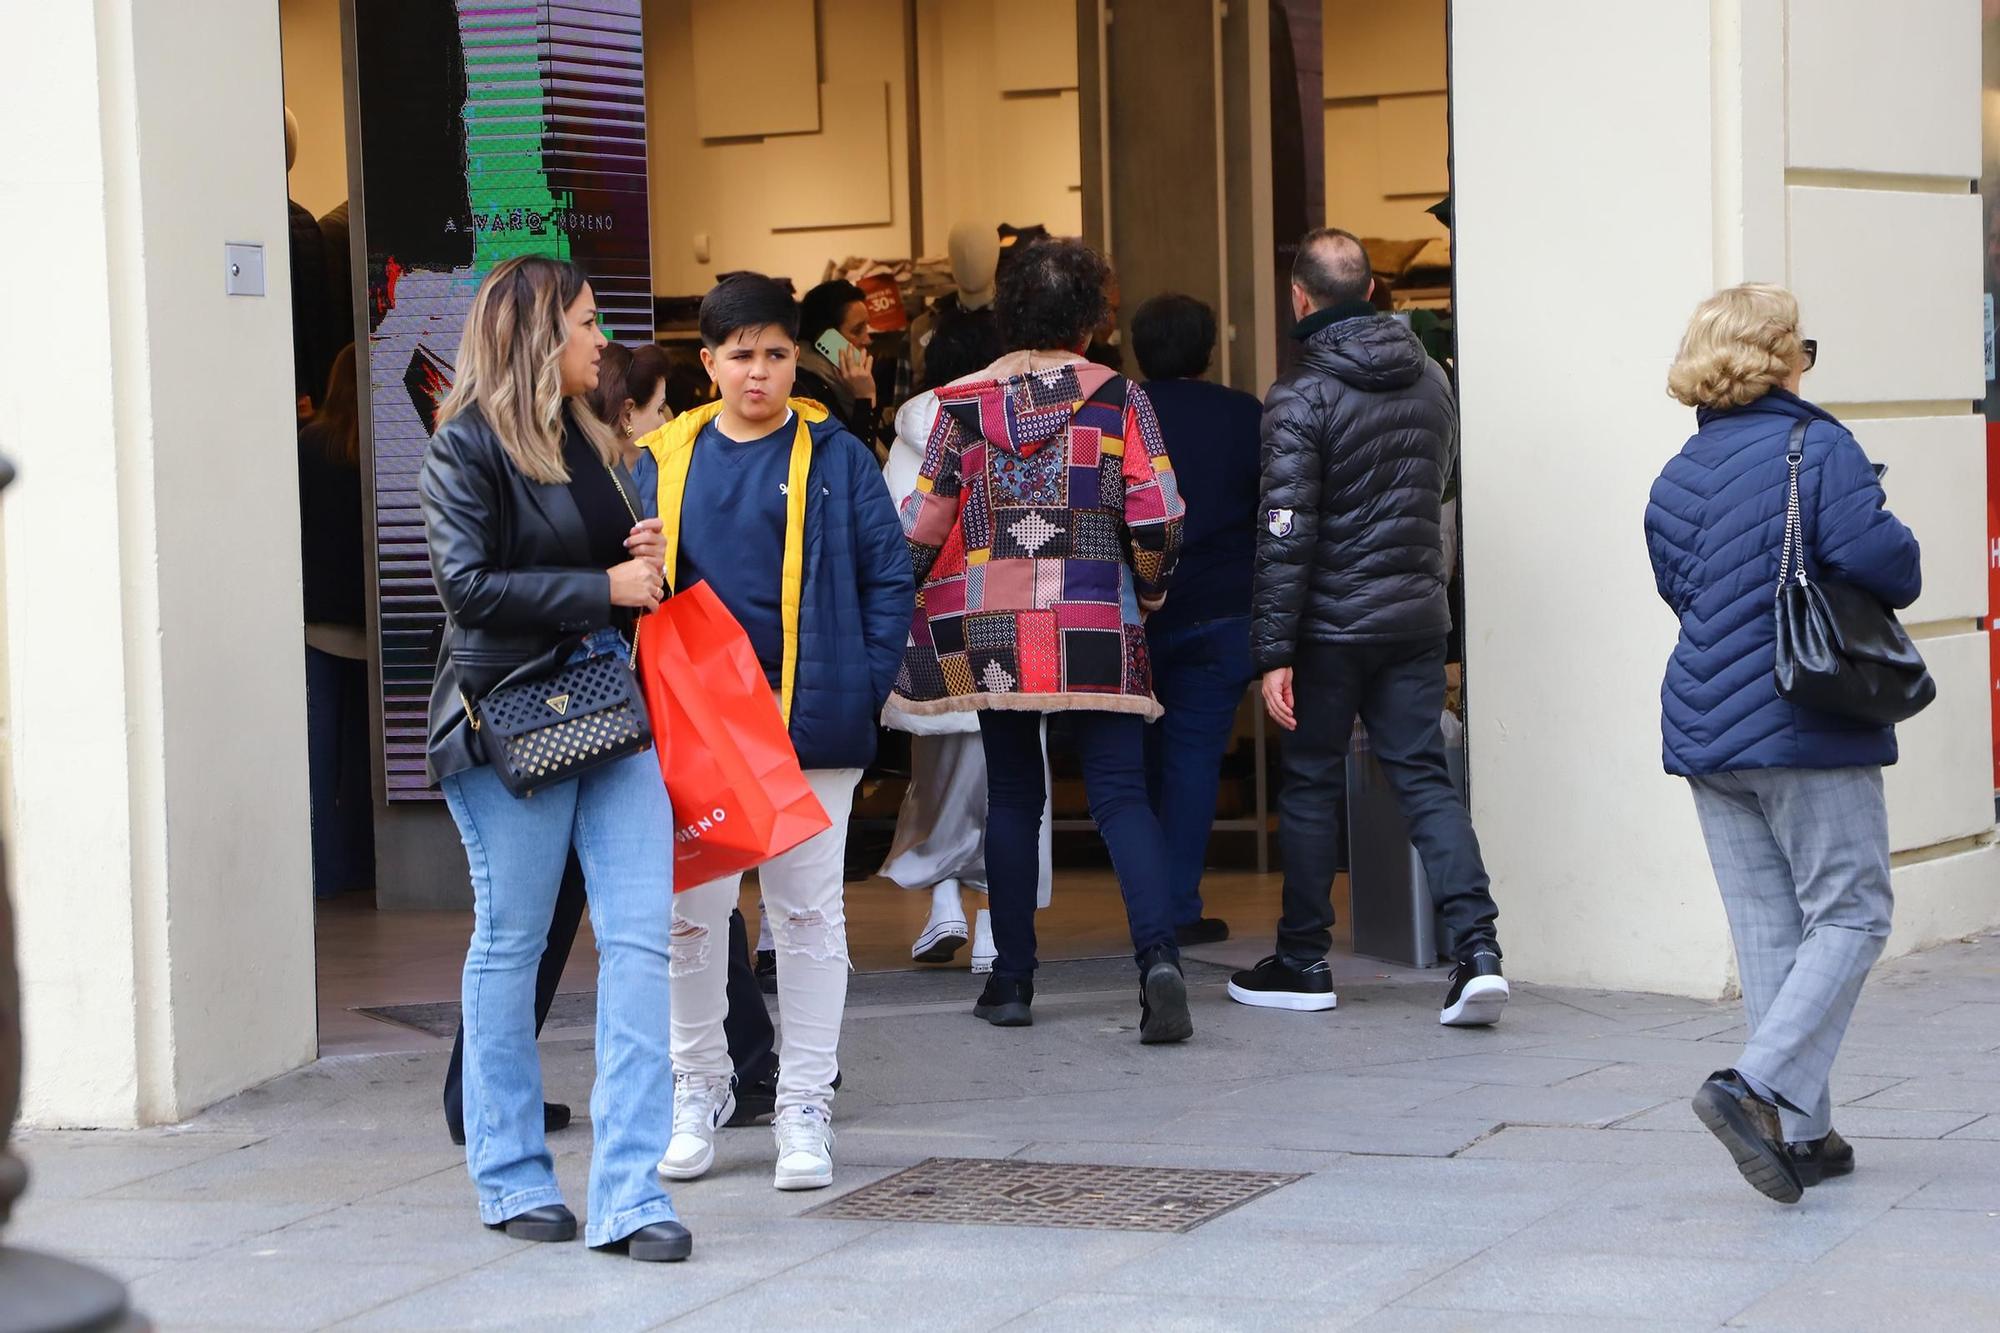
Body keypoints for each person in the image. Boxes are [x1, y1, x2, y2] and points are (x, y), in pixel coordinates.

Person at [420, 255, 689, 1261]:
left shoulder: (598, 440)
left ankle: (629, 1191)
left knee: (639, 943)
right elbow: (467, 592)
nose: (598, 341)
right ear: (537, 336)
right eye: (583, 322)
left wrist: (645, 564)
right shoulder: (463, 450)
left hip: (612, 717)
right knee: (513, 941)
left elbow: (616, 577)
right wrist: (601, 589)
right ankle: (508, 1173)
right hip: (508, 725)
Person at [1646, 284, 1920, 1204]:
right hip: (1803, 718)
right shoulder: (1819, 445)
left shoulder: (1676, 474)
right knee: (1852, 911)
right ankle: (1753, 1088)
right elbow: (1891, 566)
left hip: (1704, 726)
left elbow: (1684, 593)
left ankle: (1802, 1135)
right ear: (1780, 355)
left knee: (1770, 928)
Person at [646, 274, 913, 1192]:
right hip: (701, 718)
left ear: (795, 356)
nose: (757, 371)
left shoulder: (835, 454)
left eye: (774, 352)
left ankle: (804, 1101)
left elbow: (890, 576)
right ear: (708, 362)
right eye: (739, 354)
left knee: (806, 914)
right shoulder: (665, 455)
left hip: (809, 716)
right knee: (693, 918)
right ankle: (699, 1088)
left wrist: (867, 684)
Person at [891, 238, 1191, 1044]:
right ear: (1093, 321)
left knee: (1015, 798)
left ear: (1007, 313)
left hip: (991, 630)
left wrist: (903, 601)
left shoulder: (959, 407)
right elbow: (1158, 514)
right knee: (1123, 795)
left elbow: (921, 526)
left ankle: (1014, 978)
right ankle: (1159, 960)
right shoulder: (1121, 400)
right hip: (1096, 620)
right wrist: (1151, 589)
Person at [1240, 227, 1505, 1026]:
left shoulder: (1300, 393)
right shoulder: (1432, 378)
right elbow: (1441, 489)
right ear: (1374, 291)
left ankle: (1302, 959)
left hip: (1328, 628)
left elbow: (1286, 530)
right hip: (1416, 616)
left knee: (1314, 779)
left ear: (1299, 297)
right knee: (1422, 775)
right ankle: (1479, 950)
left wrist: (1273, 649)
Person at [881, 376, 1057, 967]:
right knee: (1016, 788)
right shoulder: (1036, 420)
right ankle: (994, 930)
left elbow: (897, 541)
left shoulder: (914, 437)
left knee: (937, 781)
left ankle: (945, 900)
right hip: (1021, 633)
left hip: (940, 640)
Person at [1130, 294, 1262, 947]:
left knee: (1141, 761)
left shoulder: (1119, 413)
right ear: (1208, 349)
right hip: (1223, 610)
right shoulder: (1244, 415)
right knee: (1193, 760)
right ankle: (1176, 906)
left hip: (1137, 612)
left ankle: (1149, 903)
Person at [297, 344, 376, 899]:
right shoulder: (375, 448)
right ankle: (365, 869)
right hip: (373, 626)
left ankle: (325, 872)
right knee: (366, 759)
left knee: (319, 760)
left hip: (319, 625)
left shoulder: (307, 445)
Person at [793, 279, 885, 454]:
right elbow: (856, 461)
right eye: (858, 330)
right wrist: (864, 397)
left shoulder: (843, 378)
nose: (867, 339)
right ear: (828, 340)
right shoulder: (807, 388)